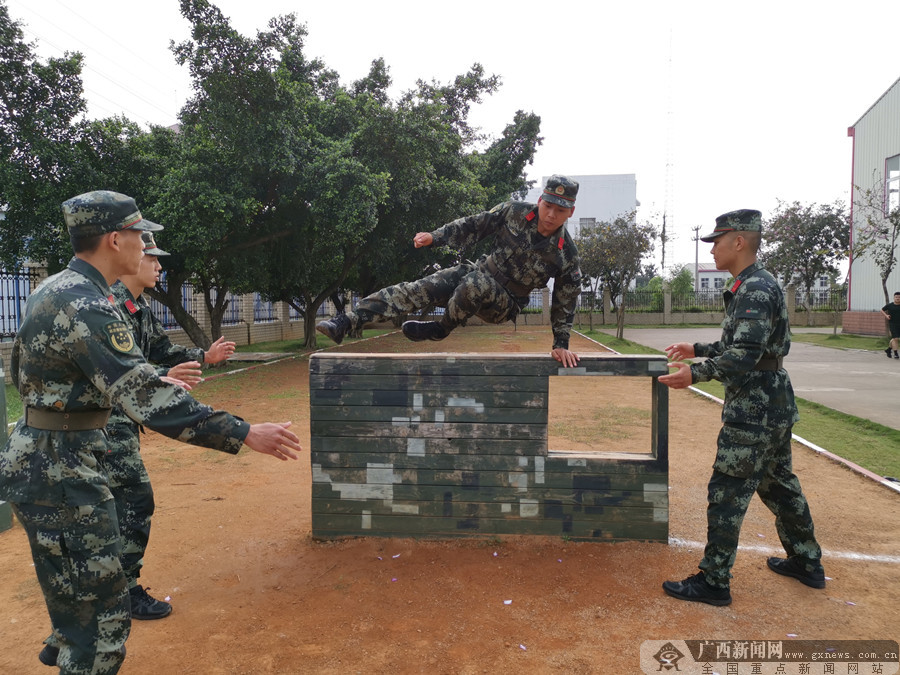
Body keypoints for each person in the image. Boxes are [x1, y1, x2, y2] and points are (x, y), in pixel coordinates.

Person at [0, 190, 302, 674]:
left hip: (53, 457)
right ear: (115, 239)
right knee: (102, 624)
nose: (147, 247)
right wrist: (244, 432)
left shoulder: (57, 288)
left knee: (76, 605)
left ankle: (67, 644)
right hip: (61, 469)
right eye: (141, 236)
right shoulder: (86, 304)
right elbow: (147, 396)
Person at [657, 208, 824, 606]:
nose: (712, 249)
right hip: (771, 403)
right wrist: (696, 349)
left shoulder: (755, 289)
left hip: (754, 409)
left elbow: (745, 355)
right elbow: (743, 345)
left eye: (717, 241)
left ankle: (714, 581)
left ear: (738, 241)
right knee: (779, 484)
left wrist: (695, 374)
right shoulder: (751, 285)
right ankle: (807, 561)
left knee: (728, 490)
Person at [315, 175, 584, 368]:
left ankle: (441, 329)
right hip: (477, 273)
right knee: (418, 289)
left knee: (474, 283)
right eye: (547, 206)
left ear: (570, 213)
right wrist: (436, 236)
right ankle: (346, 322)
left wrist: (561, 343)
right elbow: (473, 224)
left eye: (559, 210)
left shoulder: (566, 255)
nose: (550, 214)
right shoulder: (513, 212)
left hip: (505, 304)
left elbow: (565, 300)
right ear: (539, 200)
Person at [104, 232, 237, 621]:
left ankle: (109, 592)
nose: (159, 267)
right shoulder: (109, 307)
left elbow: (163, 353)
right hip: (106, 424)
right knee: (132, 500)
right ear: (132, 259)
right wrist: (163, 376)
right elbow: (123, 371)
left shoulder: (138, 308)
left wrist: (204, 356)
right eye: (152, 258)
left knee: (117, 504)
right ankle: (122, 594)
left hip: (123, 421)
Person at [880, 291, 900, 359]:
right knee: (896, 338)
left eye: (899, 297)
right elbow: (882, 310)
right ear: (894, 298)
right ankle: (896, 353)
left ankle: (888, 349)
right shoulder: (890, 305)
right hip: (892, 324)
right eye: (896, 297)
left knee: (895, 338)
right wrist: (886, 315)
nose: (898, 298)